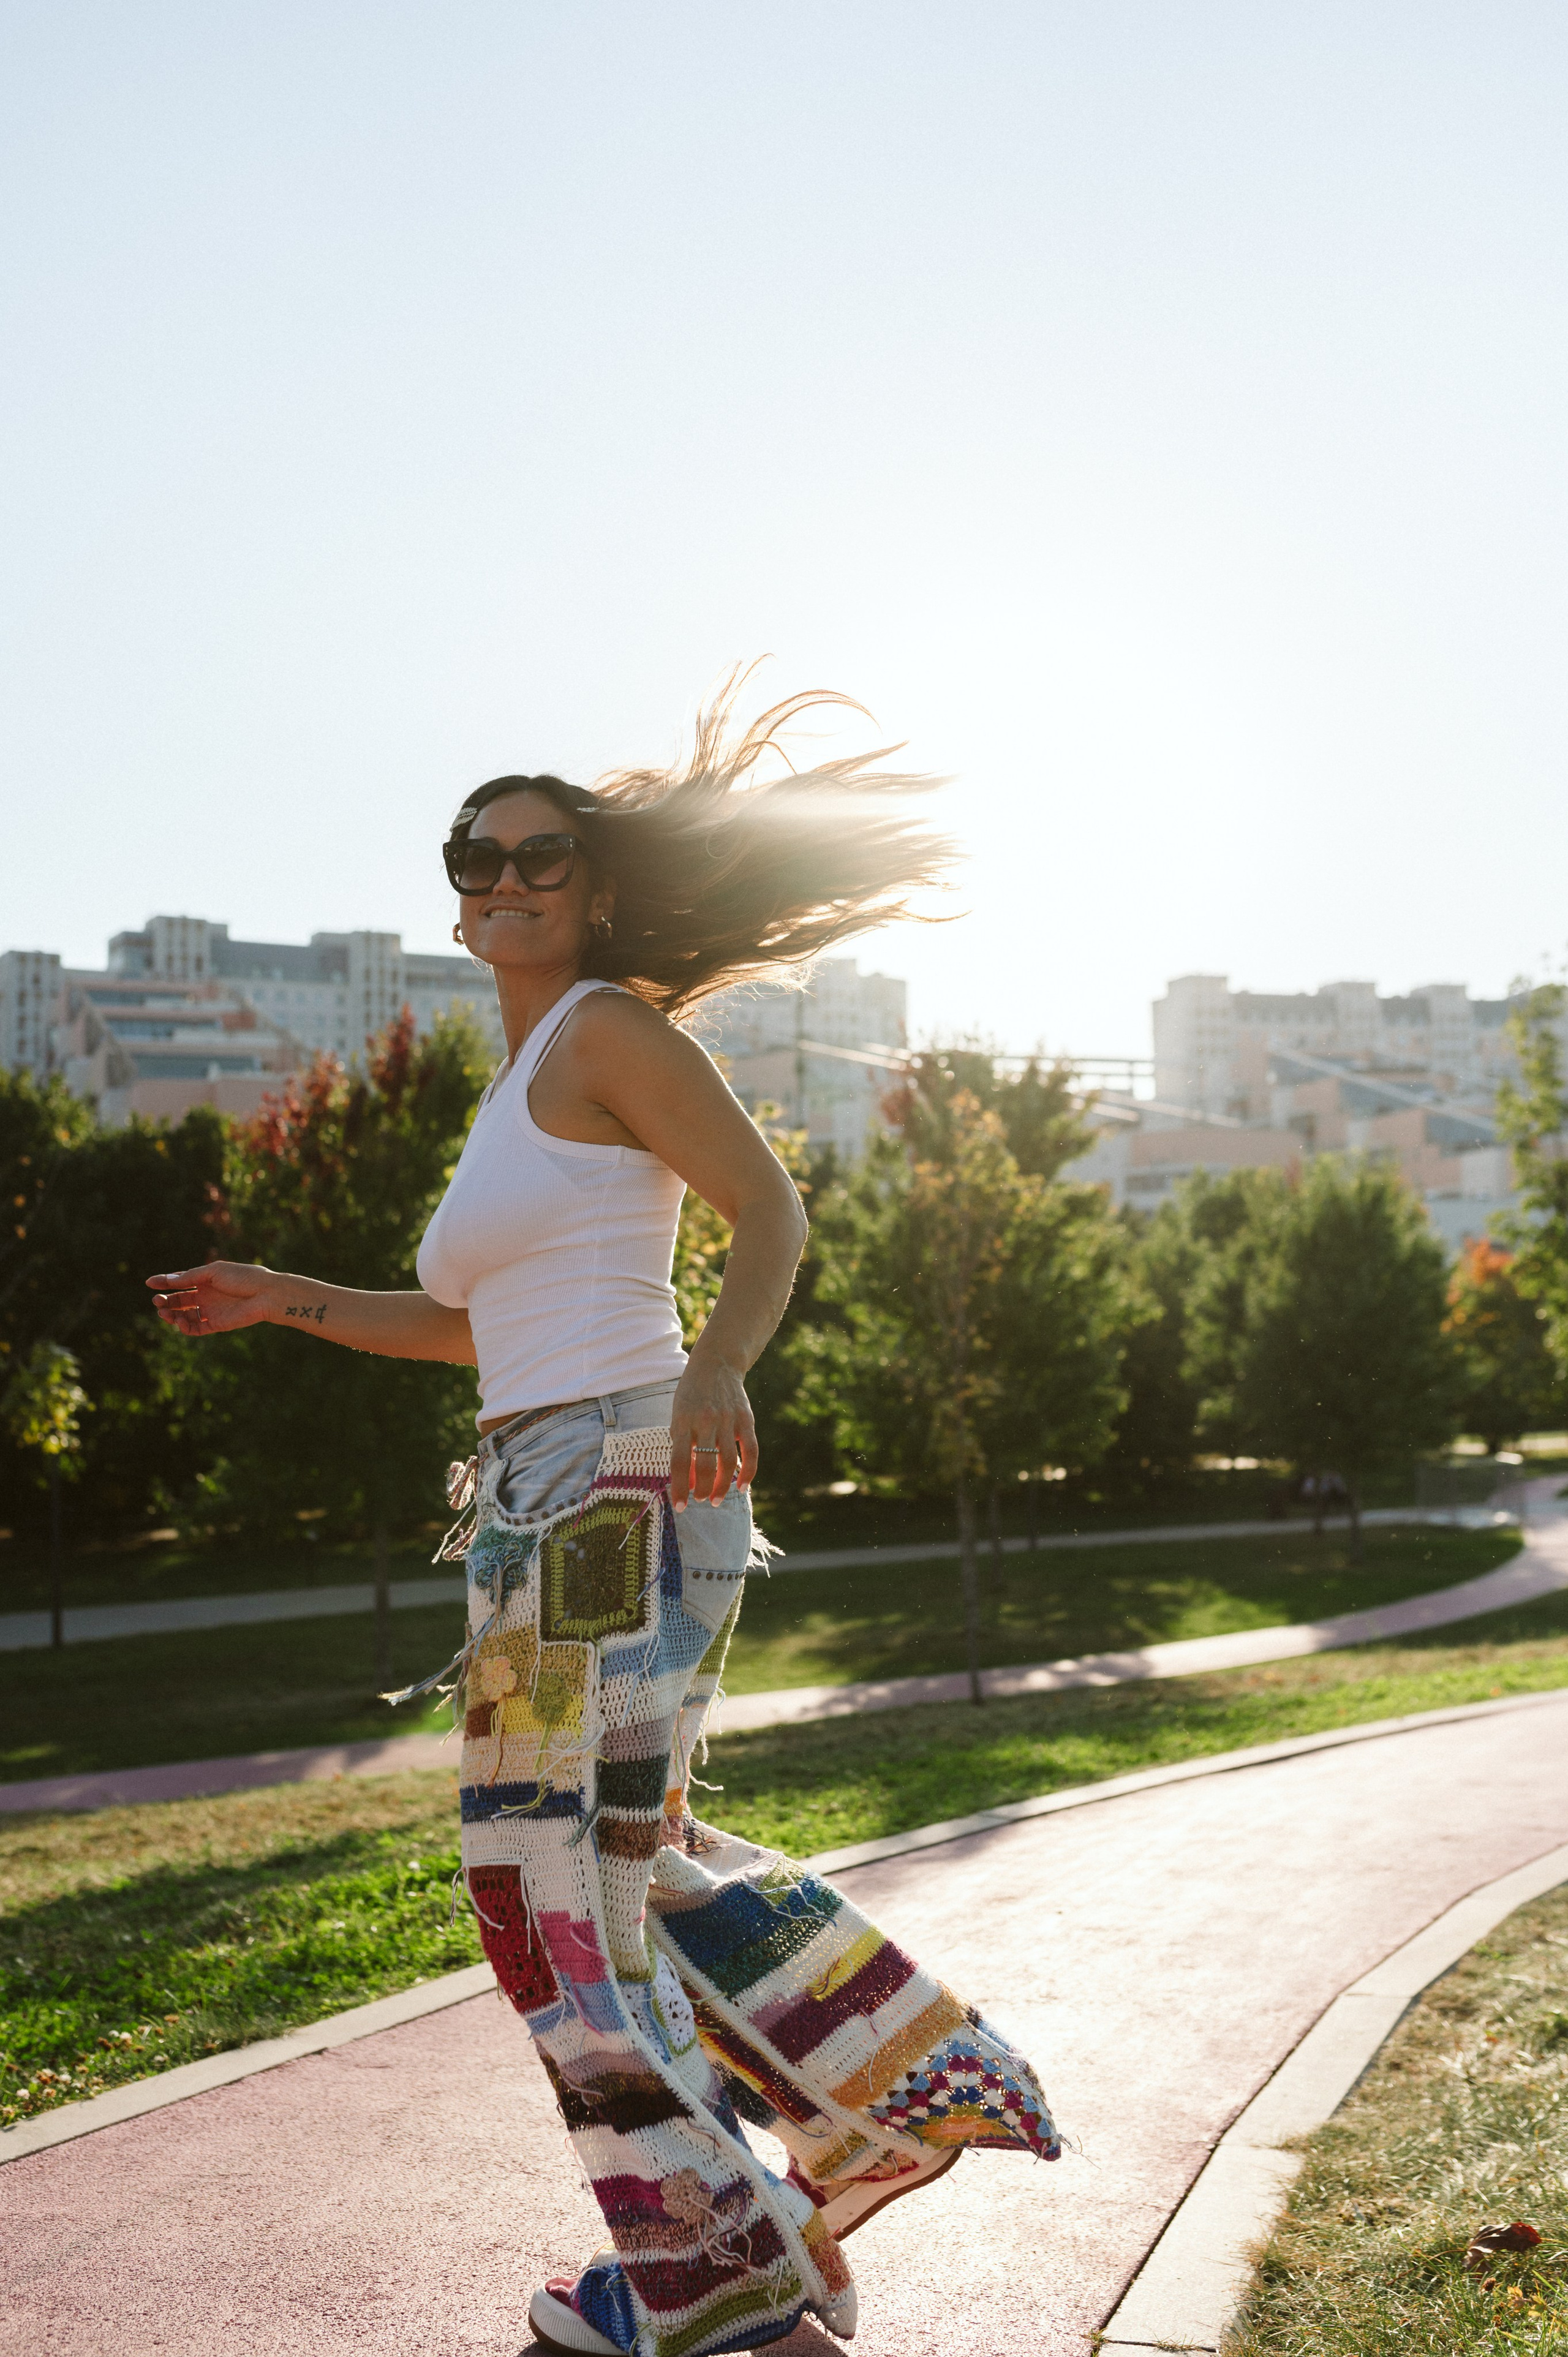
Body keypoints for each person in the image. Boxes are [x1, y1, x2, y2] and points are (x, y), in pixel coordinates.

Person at [149, 680, 1060, 2357]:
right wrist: (284, 1296)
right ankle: (857, 2121)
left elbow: (768, 1208)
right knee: (616, 1868)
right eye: (476, 856)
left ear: (595, 885)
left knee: (547, 1891)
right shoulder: (523, 1079)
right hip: (537, 1496)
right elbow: (471, 1328)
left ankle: (719, 2281)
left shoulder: (609, 1030)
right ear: (454, 898)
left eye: (540, 854)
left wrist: (718, 1370)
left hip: (618, 1485)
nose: (505, 878)